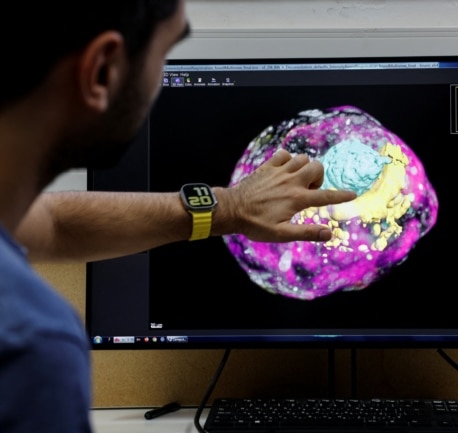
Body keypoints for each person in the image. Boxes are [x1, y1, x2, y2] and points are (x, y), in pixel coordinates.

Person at [0, 2, 355, 432]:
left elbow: (53, 223)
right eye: (166, 53)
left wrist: (231, 207)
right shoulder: (29, 347)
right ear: (101, 72)